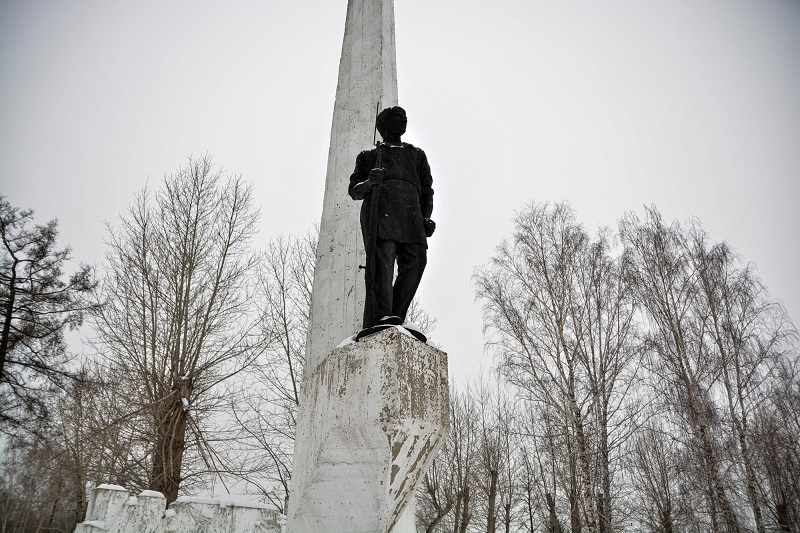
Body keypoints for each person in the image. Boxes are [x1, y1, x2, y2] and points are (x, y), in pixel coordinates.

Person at [348, 106, 435, 336]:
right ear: (384, 125)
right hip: (381, 212)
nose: (404, 120)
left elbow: (427, 190)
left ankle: (396, 314)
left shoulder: (417, 155)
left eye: (405, 117)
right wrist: (369, 183)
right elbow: (354, 190)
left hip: (411, 216)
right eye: (398, 117)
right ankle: (383, 314)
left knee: (417, 261)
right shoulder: (369, 156)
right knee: (382, 264)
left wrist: (426, 217)